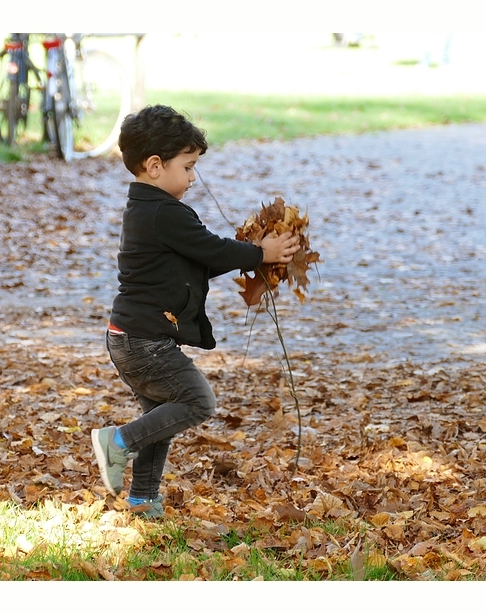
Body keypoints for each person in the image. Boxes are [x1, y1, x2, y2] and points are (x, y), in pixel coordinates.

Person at [91, 104, 300, 519]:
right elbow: (211, 249)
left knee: (160, 418)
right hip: (143, 341)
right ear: (154, 166)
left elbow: (201, 259)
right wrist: (262, 252)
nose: (191, 178)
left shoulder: (149, 210)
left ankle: (143, 499)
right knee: (197, 401)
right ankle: (117, 442)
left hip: (131, 336)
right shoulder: (162, 213)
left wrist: (252, 256)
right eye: (187, 167)